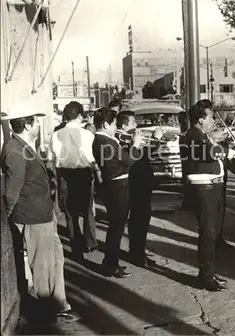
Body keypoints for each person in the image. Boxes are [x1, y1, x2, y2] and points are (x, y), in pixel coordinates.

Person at [1, 104, 80, 323]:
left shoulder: (23, 146)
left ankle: (59, 304)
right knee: (43, 265)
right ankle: (48, 310)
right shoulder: (14, 149)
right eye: (36, 120)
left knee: (55, 260)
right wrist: (9, 216)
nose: (39, 124)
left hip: (43, 214)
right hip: (33, 216)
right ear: (27, 124)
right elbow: (12, 189)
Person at [181, 100, 235, 291]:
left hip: (213, 187)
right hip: (204, 188)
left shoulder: (202, 134)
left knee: (212, 233)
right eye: (210, 117)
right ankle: (205, 277)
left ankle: (209, 272)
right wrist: (230, 152)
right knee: (207, 233)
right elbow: (210, 152)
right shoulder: (193, 135)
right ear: (201, 119)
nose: (214, 121)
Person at [92, 108, 142, 278]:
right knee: (117, 228)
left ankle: (111, 263)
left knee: (116, 227)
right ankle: (110, 265)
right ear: (106, 124)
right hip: (117, 186)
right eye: (113, 124)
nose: (115, 127)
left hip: (113, 185)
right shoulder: (108, 142)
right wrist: (135, 144)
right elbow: (129, 161)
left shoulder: (101, 140)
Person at [51, 101, 100, 260]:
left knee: (70, 214)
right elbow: (90, 157)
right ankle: (90, 242)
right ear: (79, 116)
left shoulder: (56, 134)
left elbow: (54, 156)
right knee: (87, 211)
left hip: (64, 174)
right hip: (83, 174)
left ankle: (76, 247)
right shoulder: (87, 135)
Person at [115, 110, 157, 268]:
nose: (136, 125)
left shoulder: (133, 139)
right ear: (125, 125)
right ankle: (136, 254)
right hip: (135, 183)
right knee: (138, 219)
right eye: (133, 122)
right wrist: (135, 143)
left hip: (144, 181)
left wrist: (155, 141)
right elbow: (131, 160)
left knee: (144, 218)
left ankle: (140, 251)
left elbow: (146, 155)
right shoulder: (122, 140)